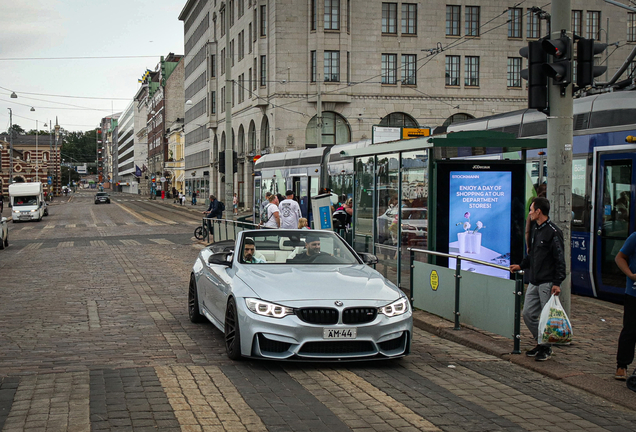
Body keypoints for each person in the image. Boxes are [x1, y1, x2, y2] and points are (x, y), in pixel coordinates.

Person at [510, 197, 566, 362]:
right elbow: (533, 255)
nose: (530, 213)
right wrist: (521, 266)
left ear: (538, 211)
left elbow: (560, 260)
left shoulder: (553, 232)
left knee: (545, 317)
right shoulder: (537, 229)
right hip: (534, 281)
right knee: (528, 313)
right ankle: (541, 342)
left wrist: (557, 282)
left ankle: (546, 347)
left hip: (547, 282)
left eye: (531, 210)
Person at [614, 231, 636, 380]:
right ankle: (622, 365)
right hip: (634, 293)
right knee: (631, 329)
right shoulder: (635, 237)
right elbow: (620, 257)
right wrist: (631, 275)